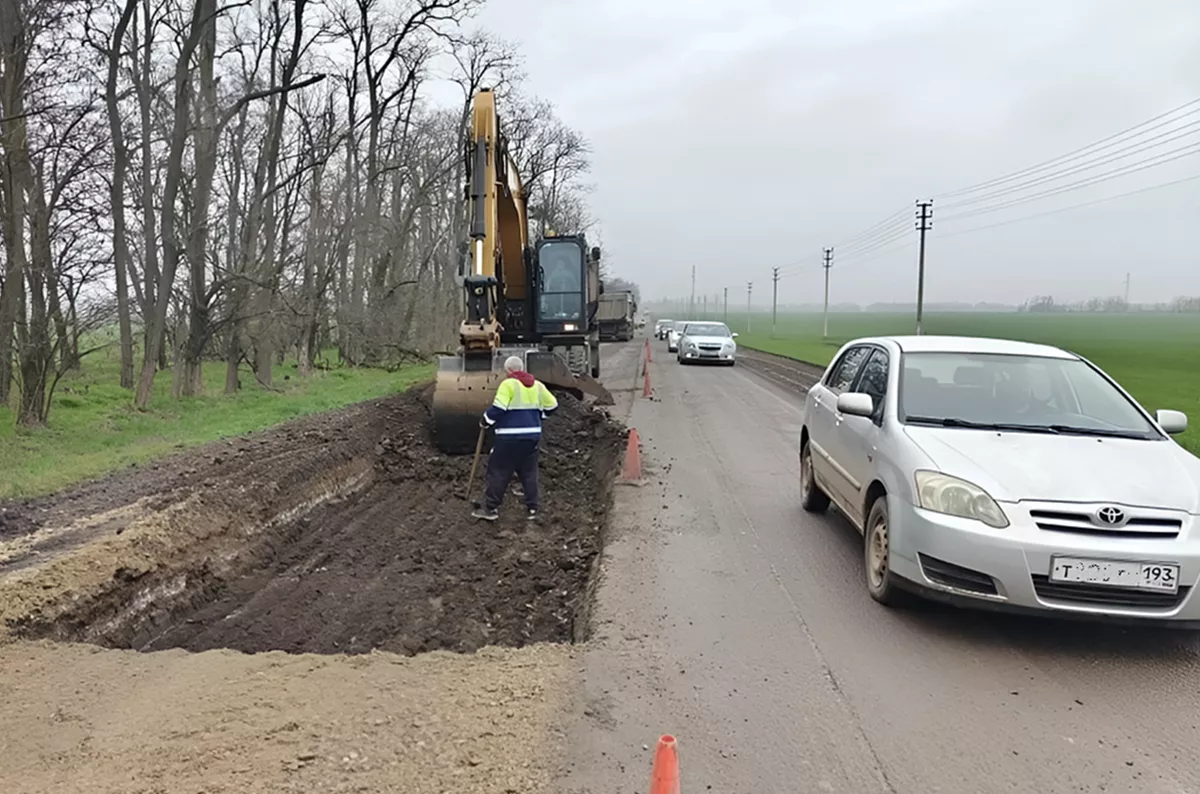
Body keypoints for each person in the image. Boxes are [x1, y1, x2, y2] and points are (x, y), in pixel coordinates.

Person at [472, 355, 558, 521]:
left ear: (508, 370)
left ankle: (490, 509)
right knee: (529, 472)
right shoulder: (538, 385)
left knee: (499, 471)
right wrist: (540, 416)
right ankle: (533, 509)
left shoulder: (508, 384)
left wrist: (485, 420)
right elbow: (553, 405)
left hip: (509, 437)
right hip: (532, 436)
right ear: (522, 368)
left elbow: (498, 408)